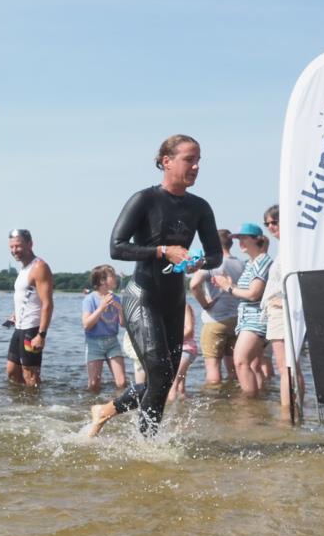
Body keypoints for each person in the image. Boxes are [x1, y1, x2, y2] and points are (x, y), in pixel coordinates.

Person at [89, 134, 221, 438]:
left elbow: (214, 253)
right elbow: (117, 247)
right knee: (160, 376)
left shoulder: (200, 207)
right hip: (142, 296)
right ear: (166, 161)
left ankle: (106, 412)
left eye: (199, 160)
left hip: (174, 300)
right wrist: (163, 250)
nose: (196, 166)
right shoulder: (144, 200)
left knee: (164, 379)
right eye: (190, 159)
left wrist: (199, 261)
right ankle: (147, 446)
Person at [212, 224, 273, 398]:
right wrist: (229, 286)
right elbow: (248, 292)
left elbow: (254, 294)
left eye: (244, 238)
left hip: (255, 320)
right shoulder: (251, 263)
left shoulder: (262, 261)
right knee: (253, 365)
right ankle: (259, 403)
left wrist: (229, 288)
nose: (240, 242)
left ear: (257, 239)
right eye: (238, 239)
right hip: (249, 319)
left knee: (241, 363)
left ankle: (249, 406)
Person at [259, 205, 305, 417]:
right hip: (280, 311)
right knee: (290, 366)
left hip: (284, 312)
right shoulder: (286, 248)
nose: (270, 227)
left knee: (285, 367)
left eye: (274, 222)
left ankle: (288, 414)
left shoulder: (292, 248)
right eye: (267, 223)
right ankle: (295, 411)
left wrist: (284, 302)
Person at [189, 229, 243, 384]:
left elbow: (193, 285)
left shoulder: (212, 263)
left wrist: (205, 304)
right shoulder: (240, 263)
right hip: (236, 320)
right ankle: (234, 397)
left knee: (212, 368)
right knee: (233, 368)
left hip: (215, 321)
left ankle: (214, 401)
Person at [6, 229, 54, 387]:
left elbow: (47, 303)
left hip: (32, 329)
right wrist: (15, 315)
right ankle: (23, 404)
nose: (14, 251)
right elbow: (27, 297)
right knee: (12, 372)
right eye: (12, 247)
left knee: (31, 376)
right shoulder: (23, 269)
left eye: (18, 246)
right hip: (19, 327)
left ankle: (36, 409)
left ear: (30, 244)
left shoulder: (39, 267)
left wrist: (41, 334)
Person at [81, 264, 126, 392]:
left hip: (112, 342)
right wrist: (101, 308)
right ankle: (92, 406)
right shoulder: (90, 300)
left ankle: (118, 406)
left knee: (122, 382)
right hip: (94, 343)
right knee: (94, 383)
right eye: (112, 275)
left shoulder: (116, 298)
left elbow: (123, 324)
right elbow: (86, 325)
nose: (116, 277)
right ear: (102, 280)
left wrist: (120, 310)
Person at [168, 303, 197, 401]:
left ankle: (168, 413)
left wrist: (172, 340)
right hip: (172, 349)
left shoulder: (184, 306)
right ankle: (184, 409)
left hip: (187, 348)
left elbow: (189, 329)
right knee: (181, 390)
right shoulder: (163, 307)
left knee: (173, 384)